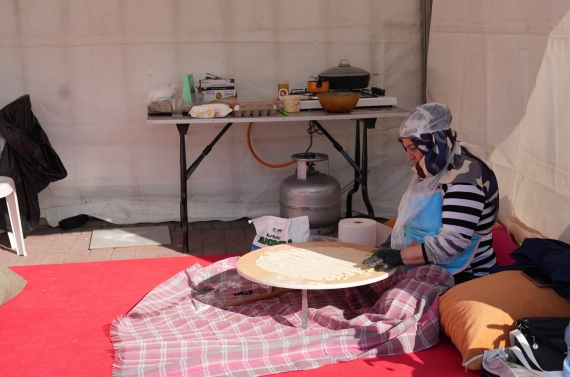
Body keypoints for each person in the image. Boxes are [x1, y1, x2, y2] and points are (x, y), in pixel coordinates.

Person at [363, 102, 499, 284]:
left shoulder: (465, 178)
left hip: (463, 275)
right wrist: (393, 242)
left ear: (435, 143)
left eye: (413, 148)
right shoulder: (434, 168)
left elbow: (453, 243)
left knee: (397, 302)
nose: (408, 157)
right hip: (424, 266)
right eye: (406, 148)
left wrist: (397, 256)